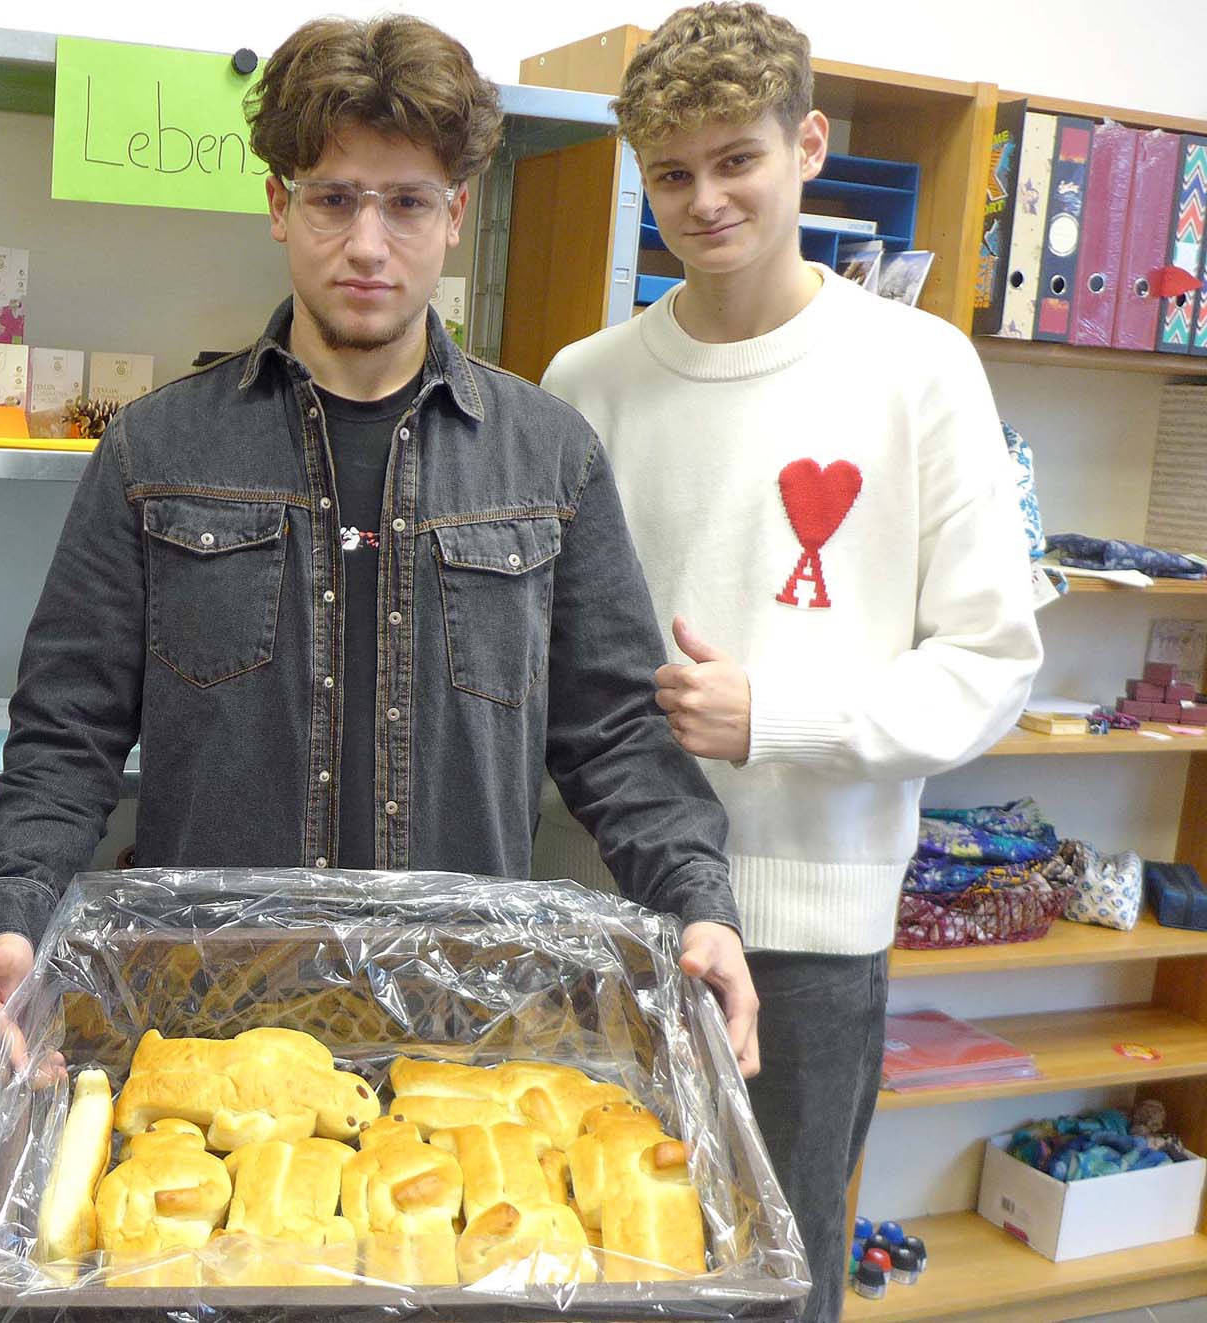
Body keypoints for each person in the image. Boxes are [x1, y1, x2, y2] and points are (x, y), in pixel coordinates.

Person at [0, 16, 758, 1079]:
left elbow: (615, 735)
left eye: (406, 203)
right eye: (335, 199)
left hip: (461, 1034)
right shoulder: (156, 449)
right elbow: (67, 733)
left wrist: (699, 907)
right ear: (279, 206)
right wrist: (14, 918)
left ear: (455, 215)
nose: (369, 244)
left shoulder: (546, 456)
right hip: (203, 1030)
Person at [534, 6, 1042, 1317]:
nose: (706, 200)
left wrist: (778, 714)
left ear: (808, 144)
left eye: (737, 159)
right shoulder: (583, 384)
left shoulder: (920, 370)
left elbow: (992, 660)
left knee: (774, 1271)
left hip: (810, 930)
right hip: (609, 903)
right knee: (578, 1258)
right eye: (674, 173)